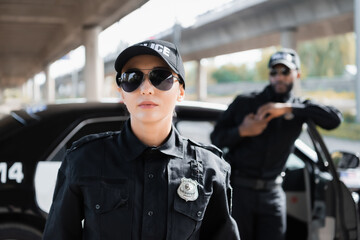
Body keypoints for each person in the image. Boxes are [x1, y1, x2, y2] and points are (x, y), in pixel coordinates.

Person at [42, 39, 240, 240]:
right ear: (121, 92)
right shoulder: (84, 159)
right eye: (132, 78)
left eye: (161, 77)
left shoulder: (210, 168)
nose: (146, 89)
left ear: (180, 91)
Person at [210, 48, 342, 240]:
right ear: (269, 75)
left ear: (297, 74)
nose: (279, 77)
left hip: (273, 194)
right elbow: (216, 137)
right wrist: (242, 131)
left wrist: (288, 108)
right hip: (239, 191)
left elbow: (334, 119)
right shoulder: (246, 102)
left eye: (285, 72)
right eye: (274, 72)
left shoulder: (299, 109)